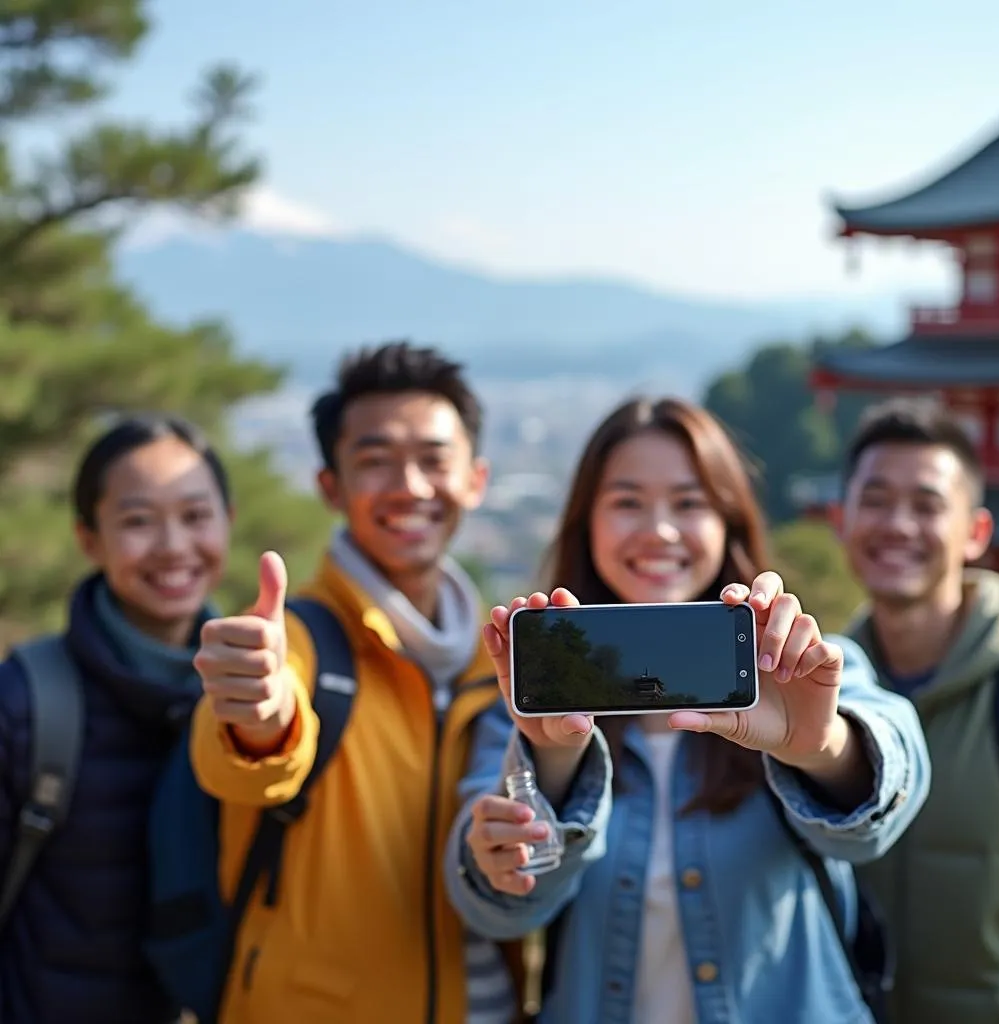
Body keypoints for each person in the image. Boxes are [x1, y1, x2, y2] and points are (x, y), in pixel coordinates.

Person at [444, 396, 932, 1024]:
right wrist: (552, 761)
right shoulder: (515, 712)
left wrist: (821, 748)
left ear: (730, 523)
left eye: (690, 502)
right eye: (626, 502)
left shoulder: (801, 670)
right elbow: (493, 907)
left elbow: (887, 800)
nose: (660, 530)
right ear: (584, 523)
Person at [188, 341, 602, 1024]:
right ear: (331, 486)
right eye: (375, 461)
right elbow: (247, 758)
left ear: (476, 478)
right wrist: (258, 717)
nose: (409, 486)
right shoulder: (297, 639)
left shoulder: (503, 657)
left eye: (434, 460)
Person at [0, 414, 234, 1024]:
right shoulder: (26, 702)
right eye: (137, 521)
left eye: (195, 515)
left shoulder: (251, 700)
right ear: (88, 539)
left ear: (228, 522)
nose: (174, 546)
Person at [836, 397, 999, 1024]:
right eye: (876, 500)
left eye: (927, 505)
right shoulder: (821, 693)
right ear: (843, 519)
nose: (898, 525)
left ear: (975, 533)